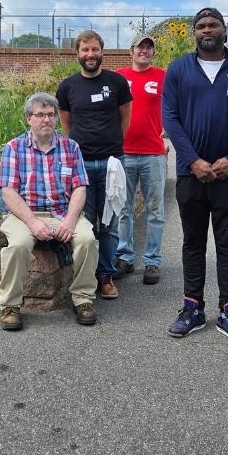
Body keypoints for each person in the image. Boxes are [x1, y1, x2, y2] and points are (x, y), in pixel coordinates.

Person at [163, 7, 228, 346]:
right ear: (195, 33)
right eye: (201, 25)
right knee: (192, 242)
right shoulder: (178, 69)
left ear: (224, 30)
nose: (208, 30)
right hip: (191, 175)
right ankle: (192, 308)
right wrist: (192, 161)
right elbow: (171, 118)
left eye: (213, 25)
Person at [0, 93, 98, 329]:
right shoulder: (15, 147)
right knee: (18, 245)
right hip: (24, 213)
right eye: (40, 115)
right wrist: (33, 223)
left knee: (87, 240)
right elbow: (8, 192)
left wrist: (71, 221)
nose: (46, 120)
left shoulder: (70, 147)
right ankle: (10, 305)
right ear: (28, 118)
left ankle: (83, 300)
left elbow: (80, 187)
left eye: (51, 115)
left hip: (63, 211)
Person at [56, 31, 132, 300]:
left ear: (103, 51)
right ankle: (86, 277)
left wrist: (111, 144)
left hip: (113, 162)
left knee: (110, 224)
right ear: (77, 53)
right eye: (85, 50)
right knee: (85, 224)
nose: (90, 55)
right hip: (81, 165)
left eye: (95, 49)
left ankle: (106, 276)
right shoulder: (67, 87)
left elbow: (125, 119)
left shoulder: (117, 82)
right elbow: (67, 124)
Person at [114, 33, 167, 285]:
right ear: (131, 51)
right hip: (123, 152)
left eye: (149, 47)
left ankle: (152, 261)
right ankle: (124, 256)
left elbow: (174, 105)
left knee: (155, 210)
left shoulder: (162, 77)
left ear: (152, 53)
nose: (144, 50)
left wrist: (168, 126)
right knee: (123, 209)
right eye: (140, 47)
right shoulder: (118, 77)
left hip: (153, 153)